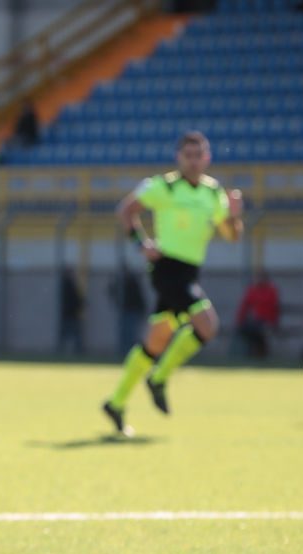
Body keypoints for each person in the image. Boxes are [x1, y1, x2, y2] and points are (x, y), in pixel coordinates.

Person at [103, 130, 243, 435]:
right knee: (207, 324)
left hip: (190, 272)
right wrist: (141, 243)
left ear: (207, 157)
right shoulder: (162, 186)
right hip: (166, 269)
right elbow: (126, 211)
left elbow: (232, 236)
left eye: (199, 155)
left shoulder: (213, 193)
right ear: (179, 157)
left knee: (156, 341)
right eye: (188, 155)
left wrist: (234, 217)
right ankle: (159, 377)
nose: (193, 161)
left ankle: (115, 402)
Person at [234, 271, 280, 358]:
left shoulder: (271, 290)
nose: (260, 280)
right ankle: (255, 353)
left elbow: (276, 308)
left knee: (260, 330)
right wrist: (239, 320)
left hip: (267, 322)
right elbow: (244, 306)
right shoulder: (253, 290)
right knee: (247, 329)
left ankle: (261, 353)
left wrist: (275, 323)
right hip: (257, 321)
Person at [57, 266, 85, 355]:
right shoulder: (67, 285)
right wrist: (79, 305)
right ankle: (66, 350)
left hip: (70, 314)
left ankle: (69, 350)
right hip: (69, 314)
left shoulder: (68, 284)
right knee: (71, 334)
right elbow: (74, 299)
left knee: (71, 334)